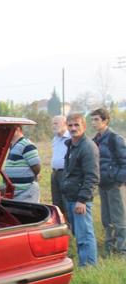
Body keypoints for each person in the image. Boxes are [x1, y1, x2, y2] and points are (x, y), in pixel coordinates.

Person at [61, 113, 99, 266]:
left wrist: (82, 200)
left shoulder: (88, 147)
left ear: (84, 126)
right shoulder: (71, 144)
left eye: (76, 125)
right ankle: (84, 262)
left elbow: (92, 176)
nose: (73, 128)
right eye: (70, 125)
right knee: (79, 233)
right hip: (71, 197)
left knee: (85, 234)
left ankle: (89, 266)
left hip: (80, 199)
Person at [90, 108, 126, 256]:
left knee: (119, 219)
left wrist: (117, 179)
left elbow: (124, 161)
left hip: (114, 185)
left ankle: (123, 250)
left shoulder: (114, 138)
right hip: (102, 184)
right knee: (106, 218)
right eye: (92, 120)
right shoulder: (95, 140)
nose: (93, 123)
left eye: (96, 119)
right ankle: (109, 248)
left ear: (105, 121)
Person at [3, 125, 41, 203]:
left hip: (26, 192)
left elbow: (37, 167)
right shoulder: (13, 145)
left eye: (8, 129)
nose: (6, 132)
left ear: (17, 129)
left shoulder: (27, 145)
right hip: (16, 192)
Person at [50, 115, 70, 217]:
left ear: (65, 124)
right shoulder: (55, 139)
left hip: (65, 173)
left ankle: (70, 226)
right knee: (56, 202)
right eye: (52, 123)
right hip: (55, 173)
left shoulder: (70, 138)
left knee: (66, 201)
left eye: (56, 123)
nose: (53, 126)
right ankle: (62, 224)